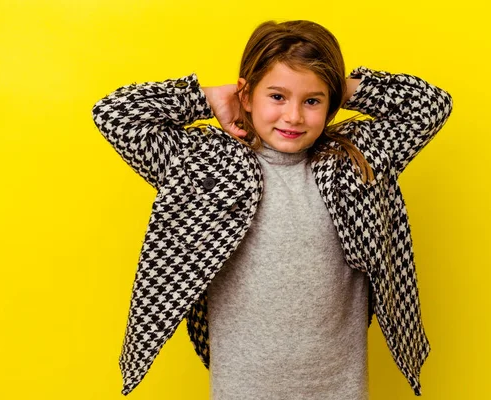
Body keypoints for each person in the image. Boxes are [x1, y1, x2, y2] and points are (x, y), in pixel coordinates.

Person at [92, 19, 453, 399]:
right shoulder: (205, 165)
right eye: (277, 96)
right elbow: (115, 115)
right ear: (246, 96)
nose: (294, 116)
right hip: (242, 389)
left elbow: (430, 107)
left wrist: (342, 87)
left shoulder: (356, 161)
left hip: (339, 389)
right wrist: (208, 97)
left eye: (312, 100)